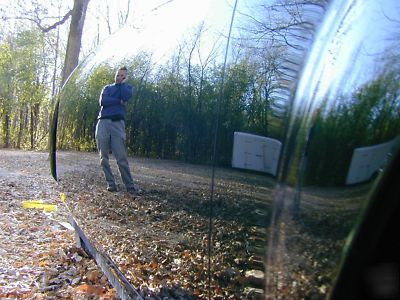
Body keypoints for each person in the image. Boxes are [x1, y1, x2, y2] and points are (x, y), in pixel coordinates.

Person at [95, 66, 138, 194]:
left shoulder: (128, 88)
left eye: (123, 76)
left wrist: (123, 85)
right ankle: (111, 183)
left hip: (118, 124)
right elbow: (103, 101)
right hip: (103, 122)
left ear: (126, 78)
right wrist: (119, 101)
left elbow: (126, 97)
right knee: (103, 157)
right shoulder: (107, 88)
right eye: (118, 75)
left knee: (121, 157)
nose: (119, 77)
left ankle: (130, 185)